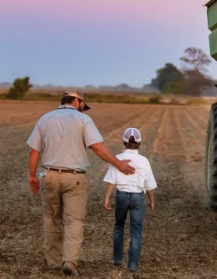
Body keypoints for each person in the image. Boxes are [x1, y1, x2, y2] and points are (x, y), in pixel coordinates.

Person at [27, 89, 136, 277]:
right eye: (82, 105)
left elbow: (33, 151)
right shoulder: (83, 120)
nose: (83, 109)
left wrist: (32, 176)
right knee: (74, 221)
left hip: (50, 176)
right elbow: (97, 147)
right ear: (77, 102)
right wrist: (118, 164)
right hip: (75, 178)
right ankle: (70, 261)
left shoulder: (45, 119)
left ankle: (53, 261)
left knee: (51, 220)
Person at [103, 127, 157, 275]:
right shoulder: (144, 161)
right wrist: (151, 200)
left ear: (123, 141)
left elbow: (111, 180)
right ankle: (133, 266)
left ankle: (117, 259)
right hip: (137, 197)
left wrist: (107, 197)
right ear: (139, 142)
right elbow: (149, 183)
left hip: (121, 196)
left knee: (118, 226)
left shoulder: (118, 158)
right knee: (136, 231)